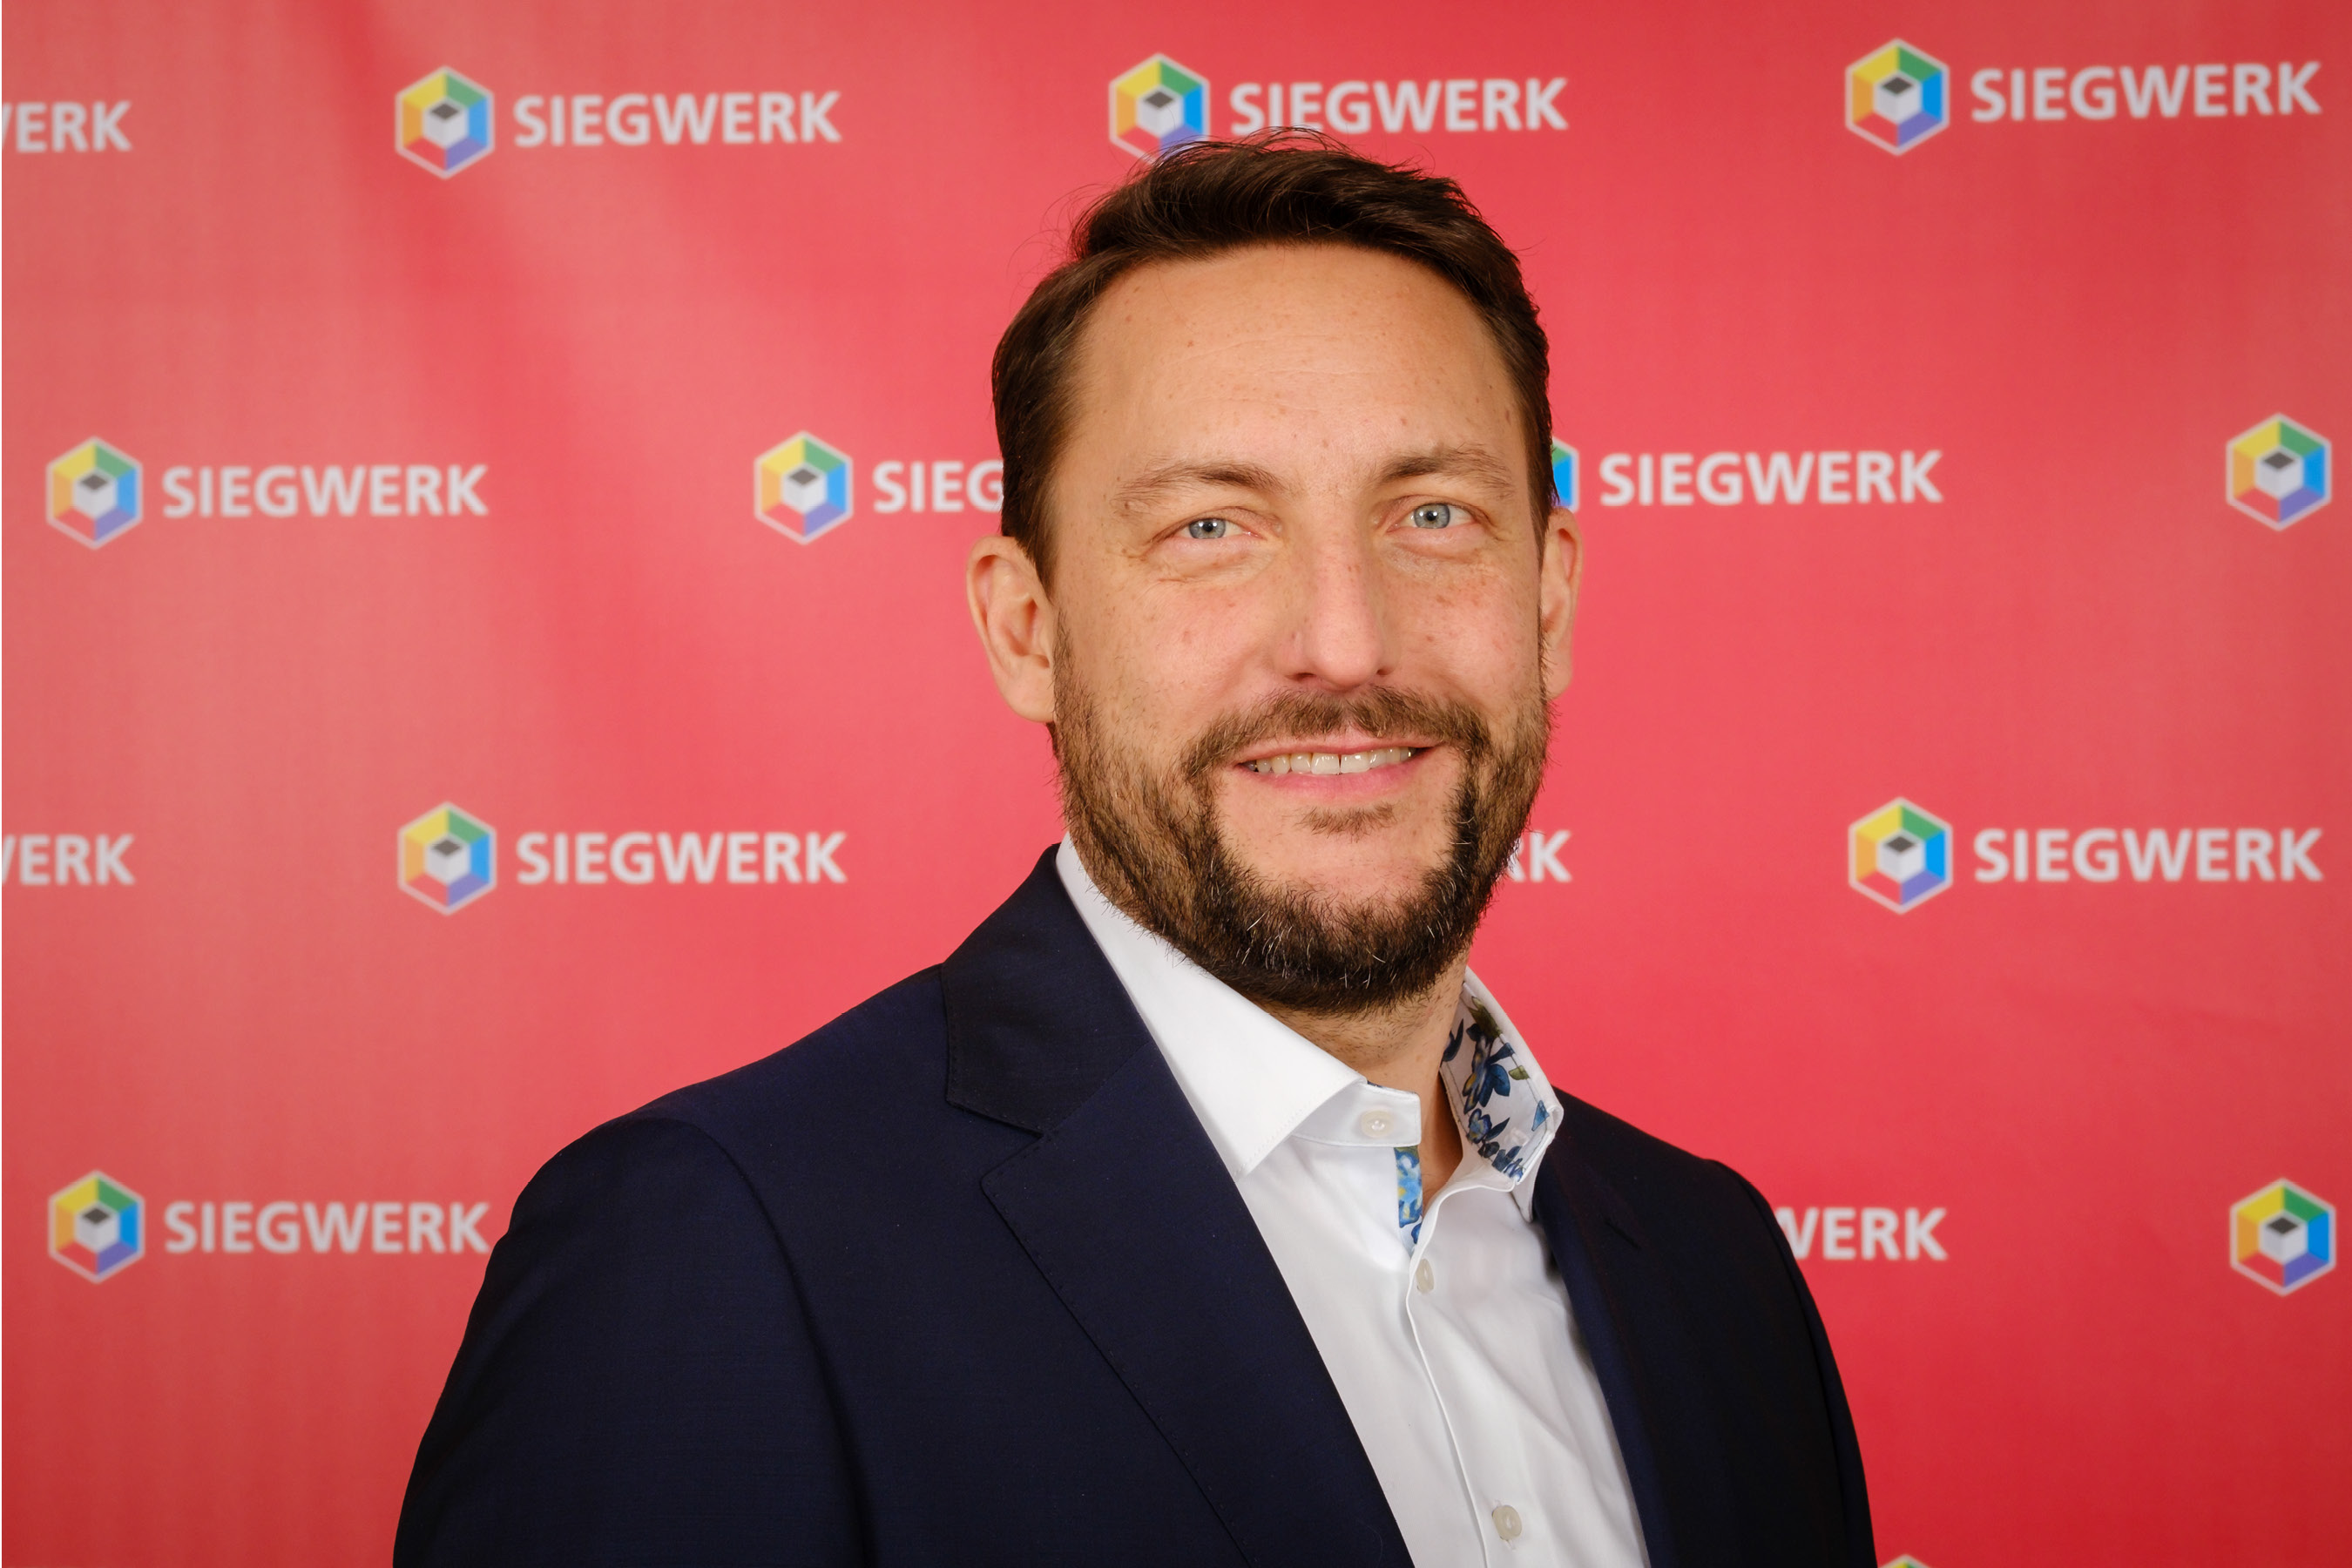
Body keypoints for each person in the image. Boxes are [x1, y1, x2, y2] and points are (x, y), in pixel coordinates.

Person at [395, 134, 1873, 1568]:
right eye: (1211, 529)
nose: (1344, 641)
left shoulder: (1714, 1264)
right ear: (1026, 629)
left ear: (1547, 602)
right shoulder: (712, 1248)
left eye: (1433, 514)